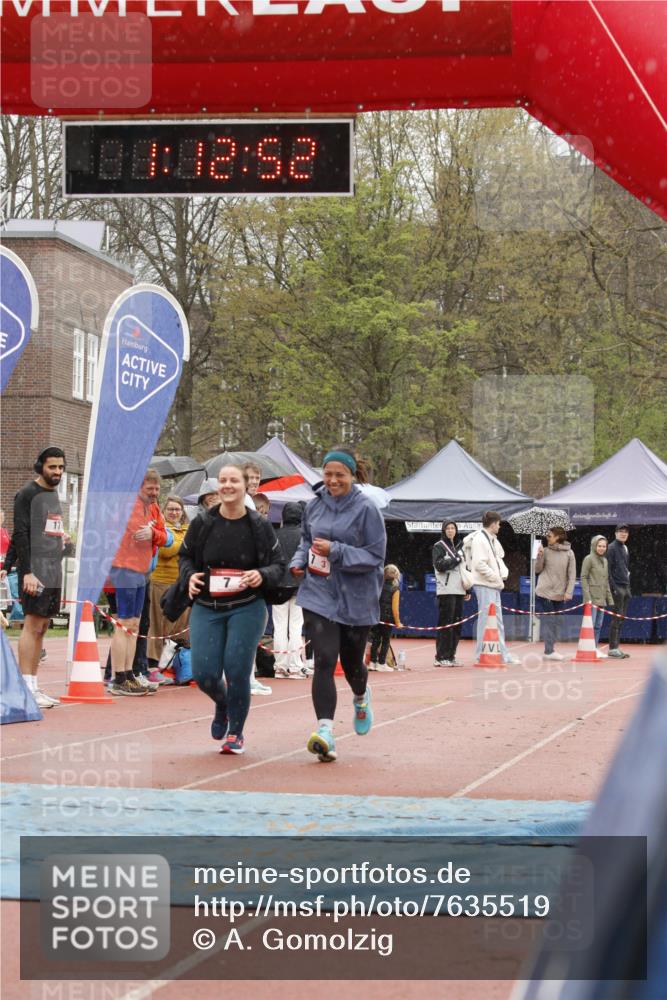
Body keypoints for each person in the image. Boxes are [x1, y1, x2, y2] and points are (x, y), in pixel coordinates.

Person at [289, 446, 387, 763]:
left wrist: (336, 551)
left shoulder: (366, 510)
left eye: (339, 475)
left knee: (353, 665)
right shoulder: (314, 506)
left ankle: (360, 696)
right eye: (328, 474)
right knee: (325, 660)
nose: (332, 481)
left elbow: (375, 557)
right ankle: (326, 731)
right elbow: (306, 538)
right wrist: (300, 559)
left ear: (351, 476)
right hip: (319, 593)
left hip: (357, 596)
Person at [180, 463, 285, 754]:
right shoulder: (203, 522)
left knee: (237, 670)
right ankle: (223, 703)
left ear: (245, 487)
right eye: (223, 481)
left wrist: (261, 574)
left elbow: (279, 565)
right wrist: (189, 576)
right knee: (204, 674)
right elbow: (185, 557)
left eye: (233, 481)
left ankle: (236, 732)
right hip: (207, 605)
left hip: (246, 607)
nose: (227, 485)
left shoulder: (258, 525)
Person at [10, 447, 74, 709]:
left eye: (60, 467)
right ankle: (25, 688)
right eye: (52, 467)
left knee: (44, 627)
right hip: (34, 569)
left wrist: (62, 539)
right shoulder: (27, 494)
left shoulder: (53, 494)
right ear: (40, 467)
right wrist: (27, 571)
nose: (57, 472)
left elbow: (48, 528)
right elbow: (21, 534)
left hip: (52, 567)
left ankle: (34, 685)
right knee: (32, 625)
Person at [108, 469, 167, 696]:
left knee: (135, 624)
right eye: (149, 489)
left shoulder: (154, 507)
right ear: (139, 487)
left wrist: (153, 532)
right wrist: (153, 532)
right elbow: (136, 530)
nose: (154, 493)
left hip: (142, 571)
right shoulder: (129, 505)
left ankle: (129, 673)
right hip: (125, 568)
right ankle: (118, 677)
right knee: (124, 623)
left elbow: (162, 534)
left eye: (157, 489)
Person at [465, 510, 520, 665]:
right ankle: (483, 653)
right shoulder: (480, 540)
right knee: (487, 621)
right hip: (485, 584)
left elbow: (496, 557)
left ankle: (501, 653)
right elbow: (479, 564)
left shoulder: (490, 539)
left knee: (496, 621)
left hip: (492, 585)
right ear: (494, 524)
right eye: (499, 524)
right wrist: (495, 577)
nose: (500, 526)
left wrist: (499, 576)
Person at [148, 495, 190, 682]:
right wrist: (185, 544)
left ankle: (173, 666)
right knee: (158, 626)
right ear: (164, 512)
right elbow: (164, 550)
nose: (174, 512)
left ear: (182, 513)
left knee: (181, 628)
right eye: (170, 509)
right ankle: (152, 666)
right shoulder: (161, 529)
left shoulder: (188, 529)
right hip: (160, 582)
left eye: (177, 509)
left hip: (181, 585)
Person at [273, 502, 308, 679]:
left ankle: (280, 666)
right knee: (295, 626)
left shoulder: (275, 535)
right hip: (298, 584)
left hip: (278, 585)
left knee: (279, 626)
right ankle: (294, 666)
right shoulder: (303, 536)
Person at [535, 526, 576, 660]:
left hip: (559, 593)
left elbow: (572, 574)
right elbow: (537, 570)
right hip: (544, 591)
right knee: (550, 621)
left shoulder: (569, 553)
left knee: (557, 622)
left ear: (558, 537)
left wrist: (569, 592)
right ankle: (549, 651)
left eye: (549, 536)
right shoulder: (545, 551)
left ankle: (550, 649)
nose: (547, 538)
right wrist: (539, 556)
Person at [433, 521, 470, 667]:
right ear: (444, 530)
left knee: (456, 625)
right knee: (446, 624)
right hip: (446, 590)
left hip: (459, 590)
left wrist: (467, 589)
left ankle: (451, 655)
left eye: (453, 528)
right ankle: (440, 656)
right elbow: (439, 566)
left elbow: (464, 569)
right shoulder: (439, 546)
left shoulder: (460, 546)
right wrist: (455, 560)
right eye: (447, 528)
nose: (450, 531)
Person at [580, 534, 614, 658]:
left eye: (604, 546)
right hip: (591, 598)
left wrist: (609, 598)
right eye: (599, 546)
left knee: (598, 625)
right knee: (591, 624)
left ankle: (594, 648)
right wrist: (587, 596)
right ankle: (588, 649)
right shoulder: (588, 559)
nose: (601, 548)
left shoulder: (605, 561)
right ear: (594, 546)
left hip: (602, 599)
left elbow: (606, 581)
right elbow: (583, 577)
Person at [369, 564, 402, 672]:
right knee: (386, 640)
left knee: (376, 639)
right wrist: (398, 622)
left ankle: (372, 662)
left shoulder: (378, 586)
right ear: (396, 576)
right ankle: (381, 663)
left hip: (377, 616)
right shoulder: (395, 589)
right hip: (387, 618)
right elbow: (395, 609)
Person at [606, 524, 631, 659]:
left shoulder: (625, 548)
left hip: (625, 586)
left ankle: (616, 647)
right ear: (615, 533)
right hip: (618, 587)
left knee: (621, 618)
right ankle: (613, 648)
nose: (623, 534)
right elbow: (608, 570)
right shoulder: (611, 548)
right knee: (617, 618)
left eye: (626, 532)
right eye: (621, 531)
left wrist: (627, 587)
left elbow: (625, 569)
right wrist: (614, 588)